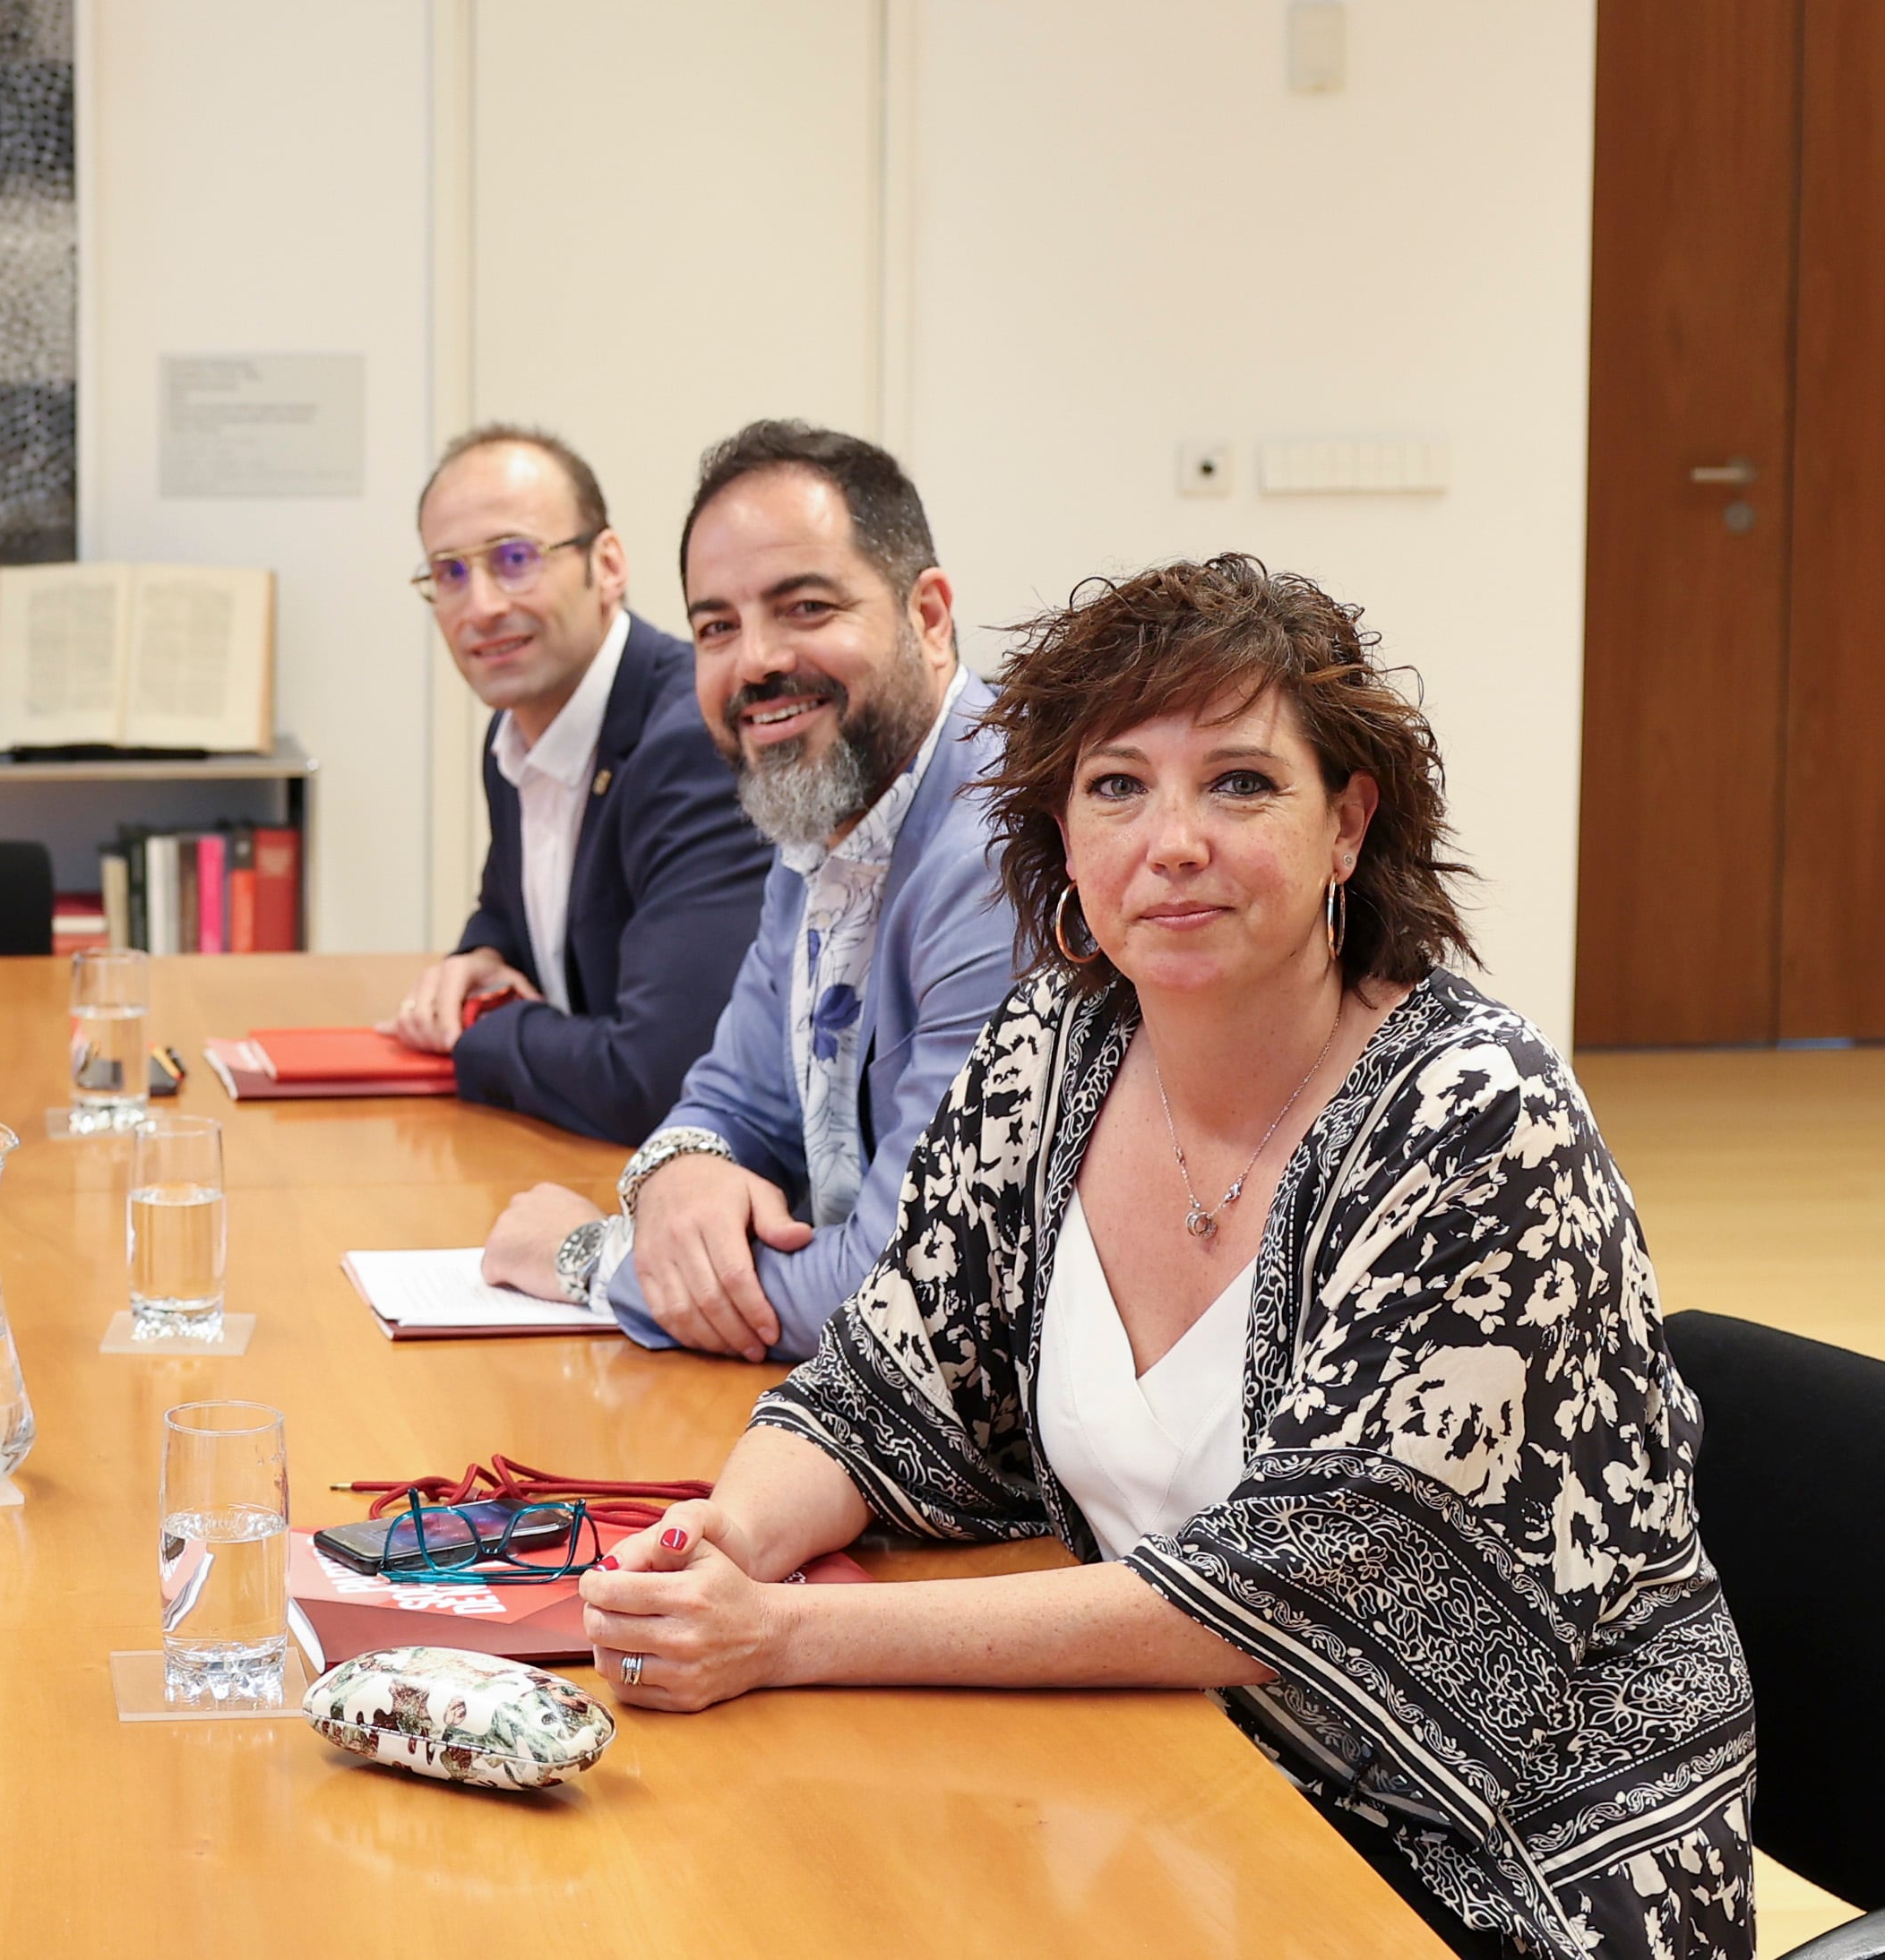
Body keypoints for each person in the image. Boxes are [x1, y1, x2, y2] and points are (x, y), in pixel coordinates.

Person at [573, 558, 1754, 1960]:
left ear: (1344, 824)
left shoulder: (1472, 1117)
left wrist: (781, 1634)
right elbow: (885, 1381)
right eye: (1116, 786)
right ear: (1061, 838)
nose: (1171, 839)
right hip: (1176, 1783)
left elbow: (1286, 1588)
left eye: (1240, 784)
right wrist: (725, 1538)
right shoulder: (1051, 1047)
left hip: (1485, 1860)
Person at [474, 421, 1014, 1359]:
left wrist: (589, 1257)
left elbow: (903, 1299)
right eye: (715, 626)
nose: (754, 661)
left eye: (804, 607)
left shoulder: (996, 846)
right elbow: (730, 1098)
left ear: (928, 616)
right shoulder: (821, 808)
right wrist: (680, 1171)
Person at [383, 425, 773, 1143]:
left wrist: (483, 1029)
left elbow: (656, 1079)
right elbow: (513, 909)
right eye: (450, 573)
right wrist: (481, 957)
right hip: (569, 1153)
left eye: (515, 559)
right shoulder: (515, 734)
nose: (481, 606)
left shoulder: (691, 743)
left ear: (610, 563)